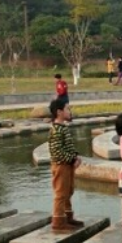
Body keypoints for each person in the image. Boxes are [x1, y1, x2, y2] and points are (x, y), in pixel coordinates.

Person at [48, 99, 83, 231]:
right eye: (67, 109)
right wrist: (72, 159)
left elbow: (68, 146)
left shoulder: (63, 127)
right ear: (59, 112)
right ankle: (58, 221)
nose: (70, 111)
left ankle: (67, 216)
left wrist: (75, 156)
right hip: (61, 165)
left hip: (67, 164)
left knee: (68, 191)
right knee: (60, 193)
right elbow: (58, 152)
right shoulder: (56, 130)